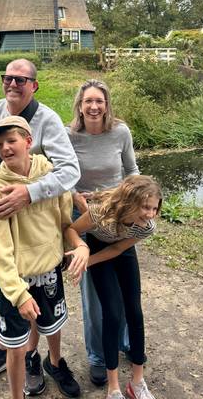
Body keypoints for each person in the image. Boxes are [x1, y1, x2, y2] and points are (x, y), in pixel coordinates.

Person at [0, 58, 80, 395]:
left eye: (21, 79)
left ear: (34, 85)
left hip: (36, 220)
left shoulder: (47, 121)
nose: (13, 84)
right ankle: (2, 345)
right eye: (8, 78)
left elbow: (70, 170)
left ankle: (31, 355)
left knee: (35, 282)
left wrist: (29, 194)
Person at [0, 115, 84, 399]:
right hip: (17, 280)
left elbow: (65, 224)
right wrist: (17, 293)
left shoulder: (51, 175)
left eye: (11, 141)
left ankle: (54, 363)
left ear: (28, 142)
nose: (5, 148)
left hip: (49, 271)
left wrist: (79, 246)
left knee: (53, 326)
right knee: (15, 344)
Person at [66, 79, 139, 386]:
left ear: (107, 105)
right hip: (82, 215)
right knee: (93, 292)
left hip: (116, 214)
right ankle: (96, 356)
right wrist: (74, 195)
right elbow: (61, 173)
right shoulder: (68, 135)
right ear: (79, 106)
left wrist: (130, 198)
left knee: (123, 284)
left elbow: (132, 171)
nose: (94, 107)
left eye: (100, 101)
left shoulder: (121, 132)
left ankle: (122, 339)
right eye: (88, 102)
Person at [66, 175, 162, 399]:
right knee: (112, 314)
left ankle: (137, 383)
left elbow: (117, 250)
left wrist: (88, 263)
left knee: (135, 313)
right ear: (130, 202)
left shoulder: (146, 227)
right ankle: (114, 388)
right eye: (145, 207)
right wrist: (83, 251)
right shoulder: (101, 212)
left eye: (154, 209)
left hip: (120, 252)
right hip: (97, 247)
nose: (150, 214)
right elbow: (70, 229)